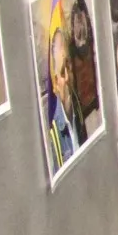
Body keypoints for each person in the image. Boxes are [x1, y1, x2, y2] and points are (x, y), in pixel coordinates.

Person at [44, 27, 81, 169]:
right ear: (54, 83)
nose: (67, 78)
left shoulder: (78, 113)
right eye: (61, 72)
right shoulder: (53, 136)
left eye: (68, 65)